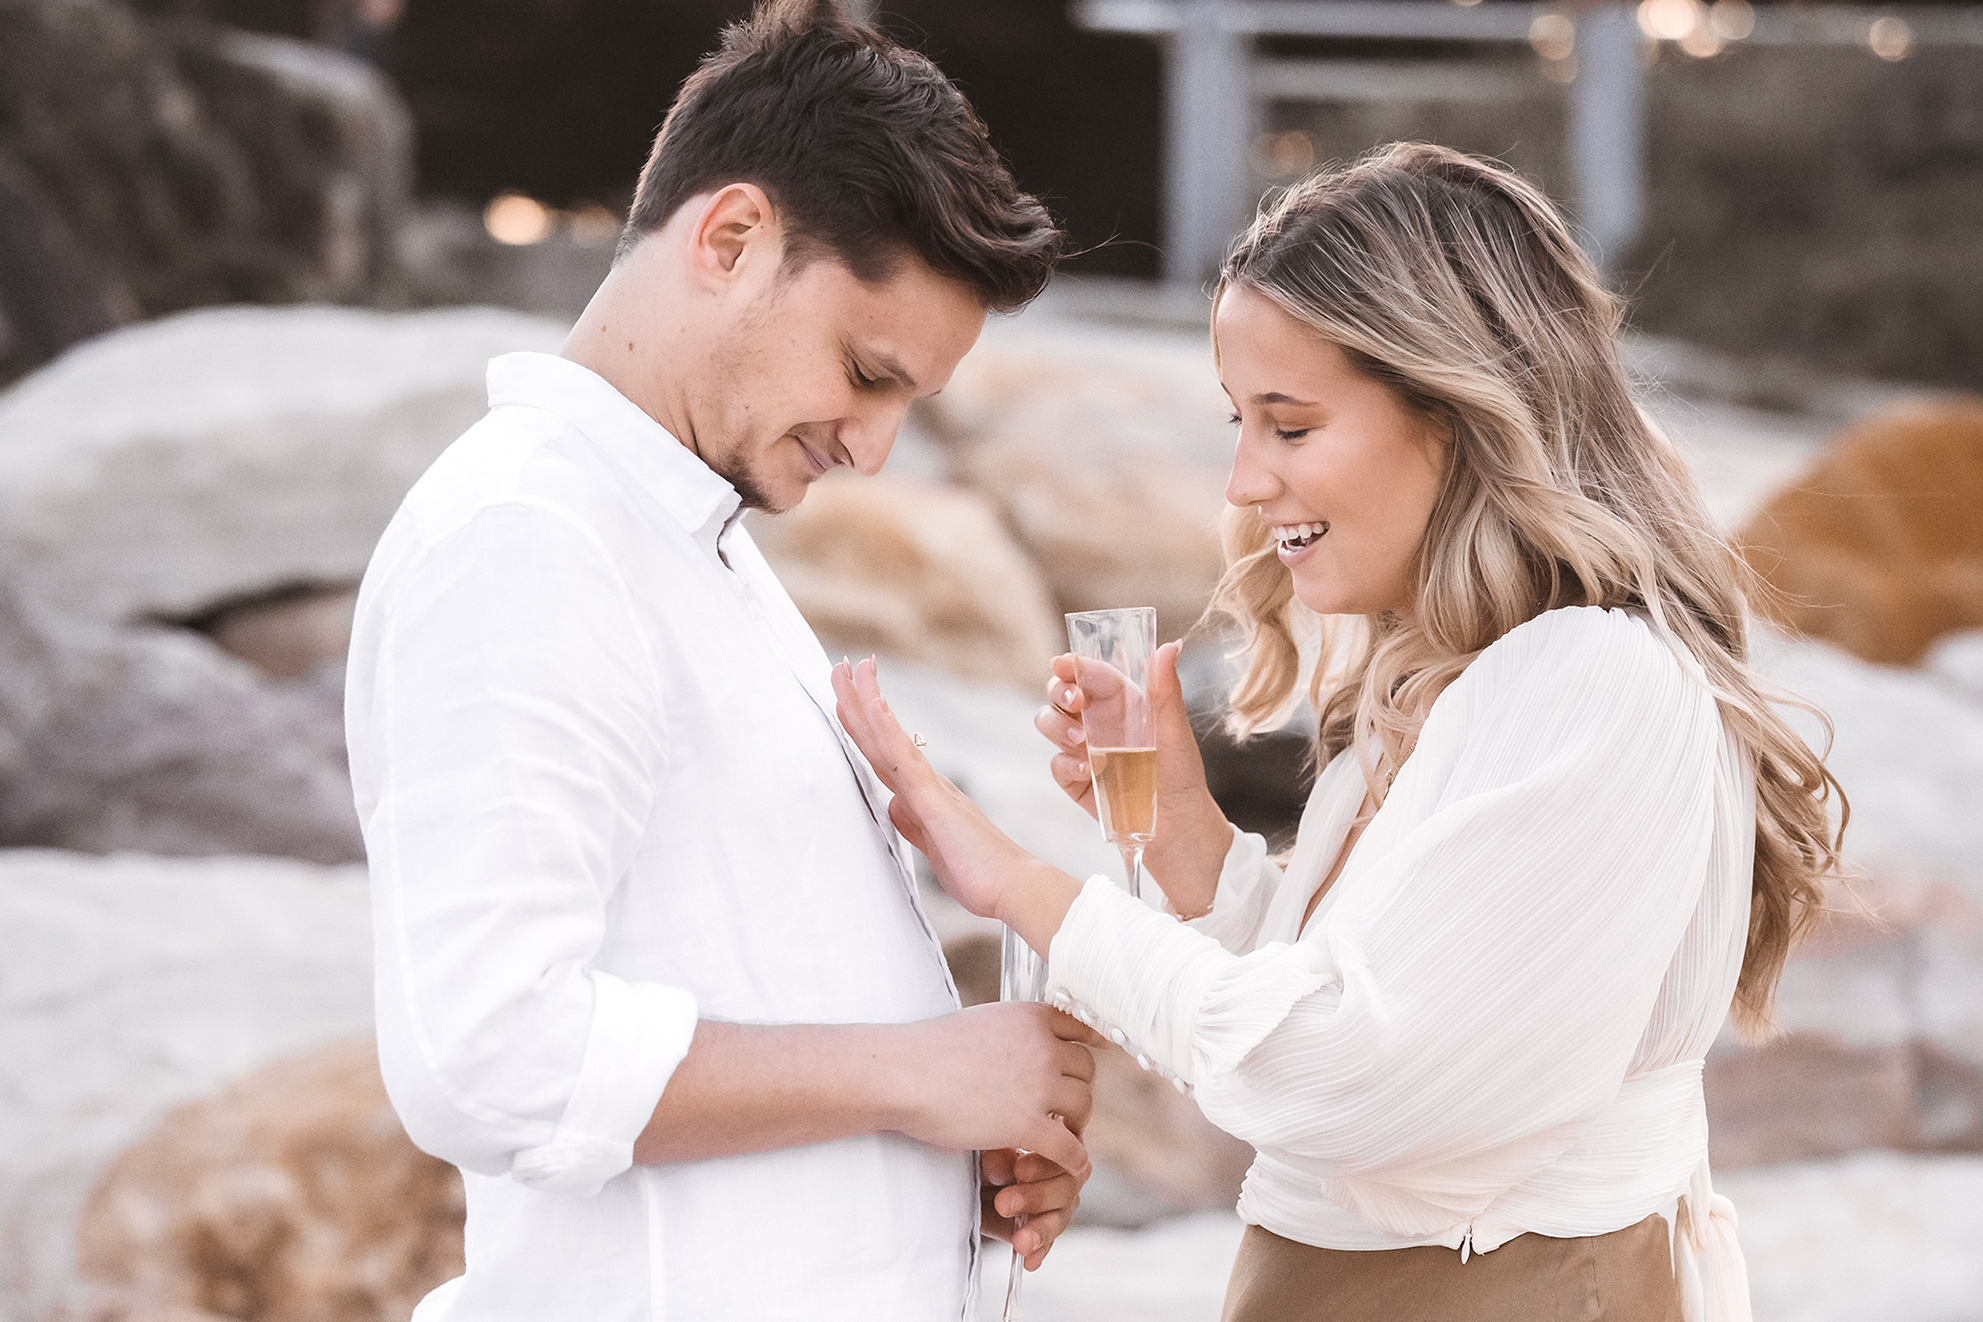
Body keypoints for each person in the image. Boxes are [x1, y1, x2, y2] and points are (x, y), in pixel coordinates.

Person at [832, 142, 1845, 1322]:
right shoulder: (1457, 687)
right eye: (1240, 423)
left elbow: (1346, 1075)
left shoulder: (1592, 681)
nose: (1243, 482)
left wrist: (1024, 888)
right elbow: (1349, 994)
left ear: (1457, 413)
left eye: (1291, 426)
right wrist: (1182, 825)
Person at [343, 3, 1101, 1318]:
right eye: (865, 372)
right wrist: (917, 1077)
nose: (871, 447)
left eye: (907, 402)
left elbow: (741, 983)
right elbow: (485, 1055)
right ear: (731, 237)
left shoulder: (684, 541)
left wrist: (945, 1151)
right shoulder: (526, 536)